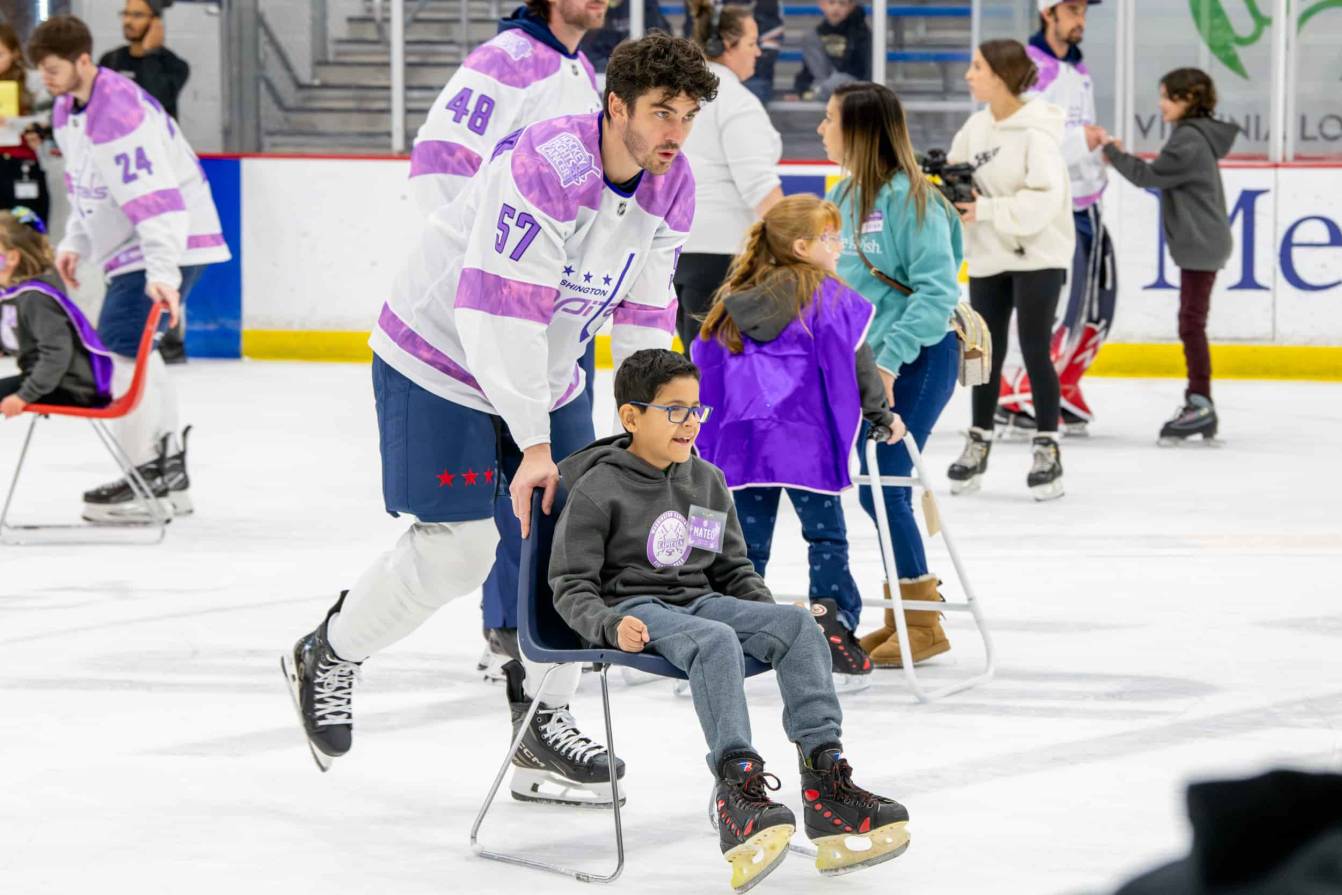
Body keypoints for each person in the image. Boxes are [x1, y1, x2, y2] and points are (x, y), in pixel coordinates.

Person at [280, 35, 717, 807]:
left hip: (545, 371)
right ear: (615, 105)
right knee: (463, 549)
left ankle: (543, 723)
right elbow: (497, 312)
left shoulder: (671, 183)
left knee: (576, 538)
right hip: (441, 357)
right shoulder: (551, 162)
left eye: (686, 115)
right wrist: (536, 442)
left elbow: (649, 309)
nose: (675, 132)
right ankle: (331, 650)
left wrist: (655, 421)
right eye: (660, 112)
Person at [550, 348, 911, 890]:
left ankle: (825, 780)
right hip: (636, 609)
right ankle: (738, 788)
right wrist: (605, 624)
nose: (690, 421)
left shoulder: (705, 480)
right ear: (631, 417)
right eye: (674, 410)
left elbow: (730, 569)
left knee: (795, 625)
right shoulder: (600, 489)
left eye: (697, 409)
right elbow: (570, 585)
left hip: (699, 600)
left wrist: (767, 617)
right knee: (714, 639)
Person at [407, 0, 607, 682]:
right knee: (523, 466)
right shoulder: (508, 60)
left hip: (561, 307)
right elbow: (439, 158)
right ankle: (511, 624)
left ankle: (549, 618)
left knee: (563, 476)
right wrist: (480, 269)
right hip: (510, 305)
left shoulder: (577, 68)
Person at [692, 194, 903, 683]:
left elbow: (705, 365)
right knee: (825, 536)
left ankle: (736, 624)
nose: (838, 246)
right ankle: (832, 625)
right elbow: (859, 363)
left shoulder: (733, 300)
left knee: (746, 544)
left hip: (744, 443)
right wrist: (882, 415)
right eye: (831, 238)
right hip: (807, 442)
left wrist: (700, 431)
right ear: (804, 246)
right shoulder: (829, 297)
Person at [28, 15, 230, 522]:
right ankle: (165, 476)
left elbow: (157, 201)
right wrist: (74, 239)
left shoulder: (118, 111)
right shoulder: (69, 107)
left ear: (82, 60)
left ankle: (145, 479)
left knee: (122, 351)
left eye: (53, 70)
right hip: (141, 250)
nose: (46, 80)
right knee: (134, 353)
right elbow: (85, 184)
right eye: (41, 72)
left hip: (162, 246)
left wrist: (162, 273)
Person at [818, 82, 963, 668]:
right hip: (868, 367)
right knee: (878, 488)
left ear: (859, 130)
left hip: (919, 359)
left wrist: (889, 359)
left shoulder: (914, 200)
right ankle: (904, 614)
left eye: (830, 121)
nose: (823, 130)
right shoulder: (844, 195)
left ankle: (923, 622)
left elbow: (937, 292)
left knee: (890, 482)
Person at [945, 40, 1073, 501]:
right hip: (989, 254)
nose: (969, 75)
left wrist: (987, 210)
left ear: (999, 75)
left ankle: (1047, 445)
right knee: (984, 352)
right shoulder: (976, 127)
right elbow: (954, 176)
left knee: (1036, 349)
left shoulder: (1037, 132)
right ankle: (979, 438)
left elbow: (1044, 199)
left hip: (1038, 255)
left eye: (976, 67)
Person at [1101, 69, 1236, 446]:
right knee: (1191, 321)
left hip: (1201, 242)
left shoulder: (1189, 141)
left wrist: (1110, 151)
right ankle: (1201, 401)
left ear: (1188, 100)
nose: (1160, 104)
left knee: (1191, 323)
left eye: (1167, 97)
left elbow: (1149, 176)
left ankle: (1200, 401)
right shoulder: (1193, 136)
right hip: (1204, 240)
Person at [998, 0, 1114, 436]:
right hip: (1045, 204)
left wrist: (1094, 152)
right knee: (1046, 297)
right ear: (1048, 13)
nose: (1080, 18)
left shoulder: (1077, 67)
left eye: (1084, 10)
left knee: (1095, 301)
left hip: (1083, 199)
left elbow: (1075, 129)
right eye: (1072, 9)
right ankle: (1015, 384)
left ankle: (1061, 380)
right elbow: (1023, 141)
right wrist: (1079, 142)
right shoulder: (1030, 67)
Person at [676, 0, 782, 353]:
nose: (758, 52)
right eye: (752, 43)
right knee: (720, 376)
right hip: (724, 259)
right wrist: (797, 245)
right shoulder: (735, 100)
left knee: (698, 366)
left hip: (681, 250)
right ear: (726, 44)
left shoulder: (683, 96)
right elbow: (759, 185)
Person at [0, 207, 113, 417]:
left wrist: (24, 395)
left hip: (69, 387)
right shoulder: (11, 295)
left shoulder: (36, 298)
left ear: (12, 258)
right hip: (46, 381)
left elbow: (56, 353)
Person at [98, 0, 190, 122]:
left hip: (154, 140)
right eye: (126, 14)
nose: (128, 21)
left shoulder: (174, 65)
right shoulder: (110, 60)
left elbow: (154, 100)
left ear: (155, 21)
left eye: (137, 15)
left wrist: (150, 53)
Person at [0, 26, 51, 225]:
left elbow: (48, 117)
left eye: (1, 54)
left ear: (15, 53)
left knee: (27, 226)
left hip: (23, 164)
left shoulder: (33, 81)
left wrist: (31, 127)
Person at [793, 0, 871, 102]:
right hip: (825, 82)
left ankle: (819, 92)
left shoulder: (860, 31)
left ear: (851, 7)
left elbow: (863, 67)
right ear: (822, 4)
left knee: (836, 83)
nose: (836, 8)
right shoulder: (817, 33)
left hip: (852, 81)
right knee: (809, 38)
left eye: (842, 4)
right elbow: (809, 68)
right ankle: (819, 91)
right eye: (831, 2)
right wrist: (801, 88)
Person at [580, 0, 672, 74]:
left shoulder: (644, 4)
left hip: (638, 71)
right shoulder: (595, 7)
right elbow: (587, 50)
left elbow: (660, 39)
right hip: (601, 72)